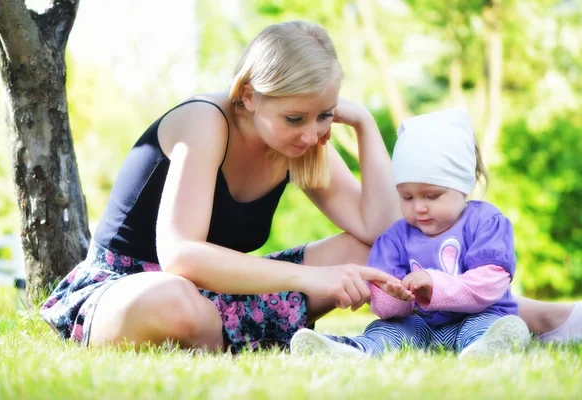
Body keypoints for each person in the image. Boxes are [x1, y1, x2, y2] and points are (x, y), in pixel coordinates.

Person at [40, 21, 580, 353]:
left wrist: (365, 123)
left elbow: (378, 229)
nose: (314, 133)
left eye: (325, 115)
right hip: (131, 289)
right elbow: (179, 256)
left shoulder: (304, 144)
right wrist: (314, 279)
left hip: (220, 296)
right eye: (296, 117)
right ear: (248, 95)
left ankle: (537, 318)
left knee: (379, 252)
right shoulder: (206, 121)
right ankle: (226, 342)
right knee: (177, 302)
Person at [290, 107, 532, 358]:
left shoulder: (485, 221)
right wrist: (395, 296)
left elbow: (490, 285)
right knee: (386, 331)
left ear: (463, 185)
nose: (419, 207)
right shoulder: (395, 238)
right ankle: (352, 350)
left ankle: (486, 348)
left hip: (477, 317)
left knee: (485, 326)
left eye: (432, 196)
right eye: (407, 197)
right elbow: (387, 309)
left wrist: (433, 284)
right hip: (420, 324)